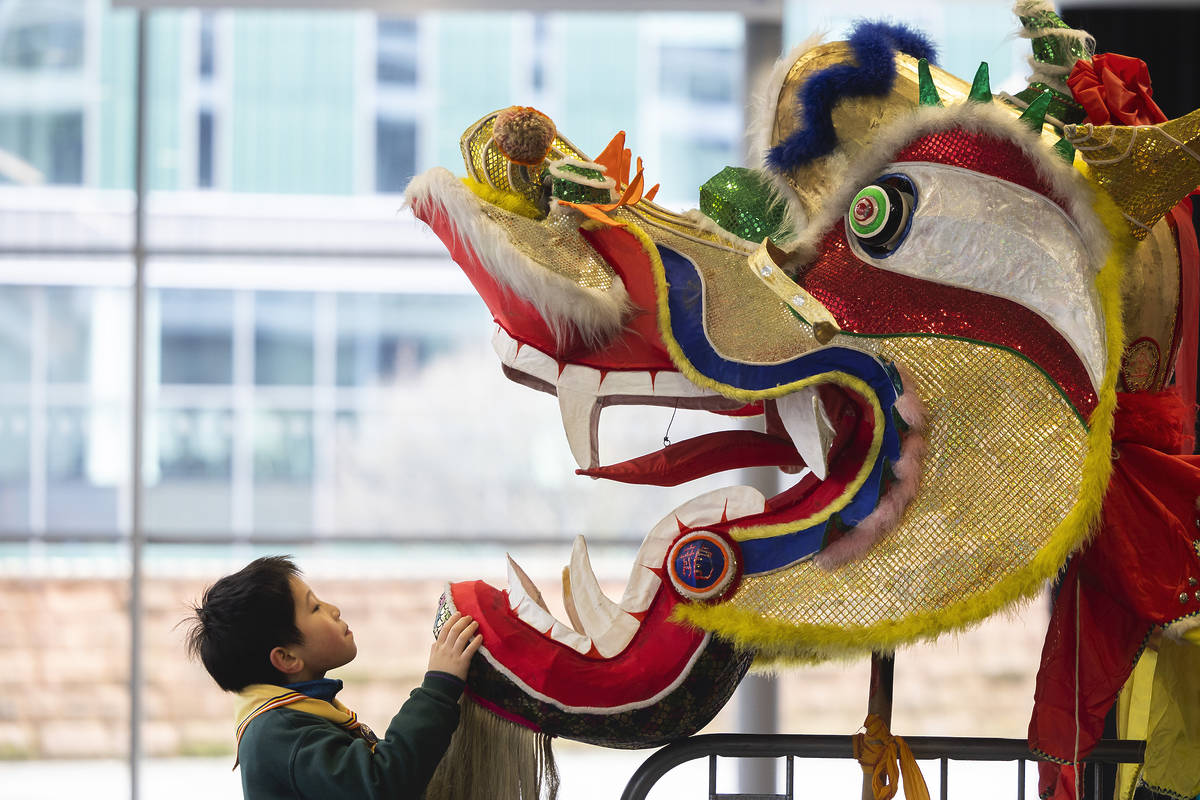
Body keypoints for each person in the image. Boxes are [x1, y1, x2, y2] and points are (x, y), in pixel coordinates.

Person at [183, 555, 481, 800]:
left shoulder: (292, 719)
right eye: (314, 607)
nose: (334, 610)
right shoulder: (280, 736)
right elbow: (382, 784)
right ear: (286, 658)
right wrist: (439, 687)